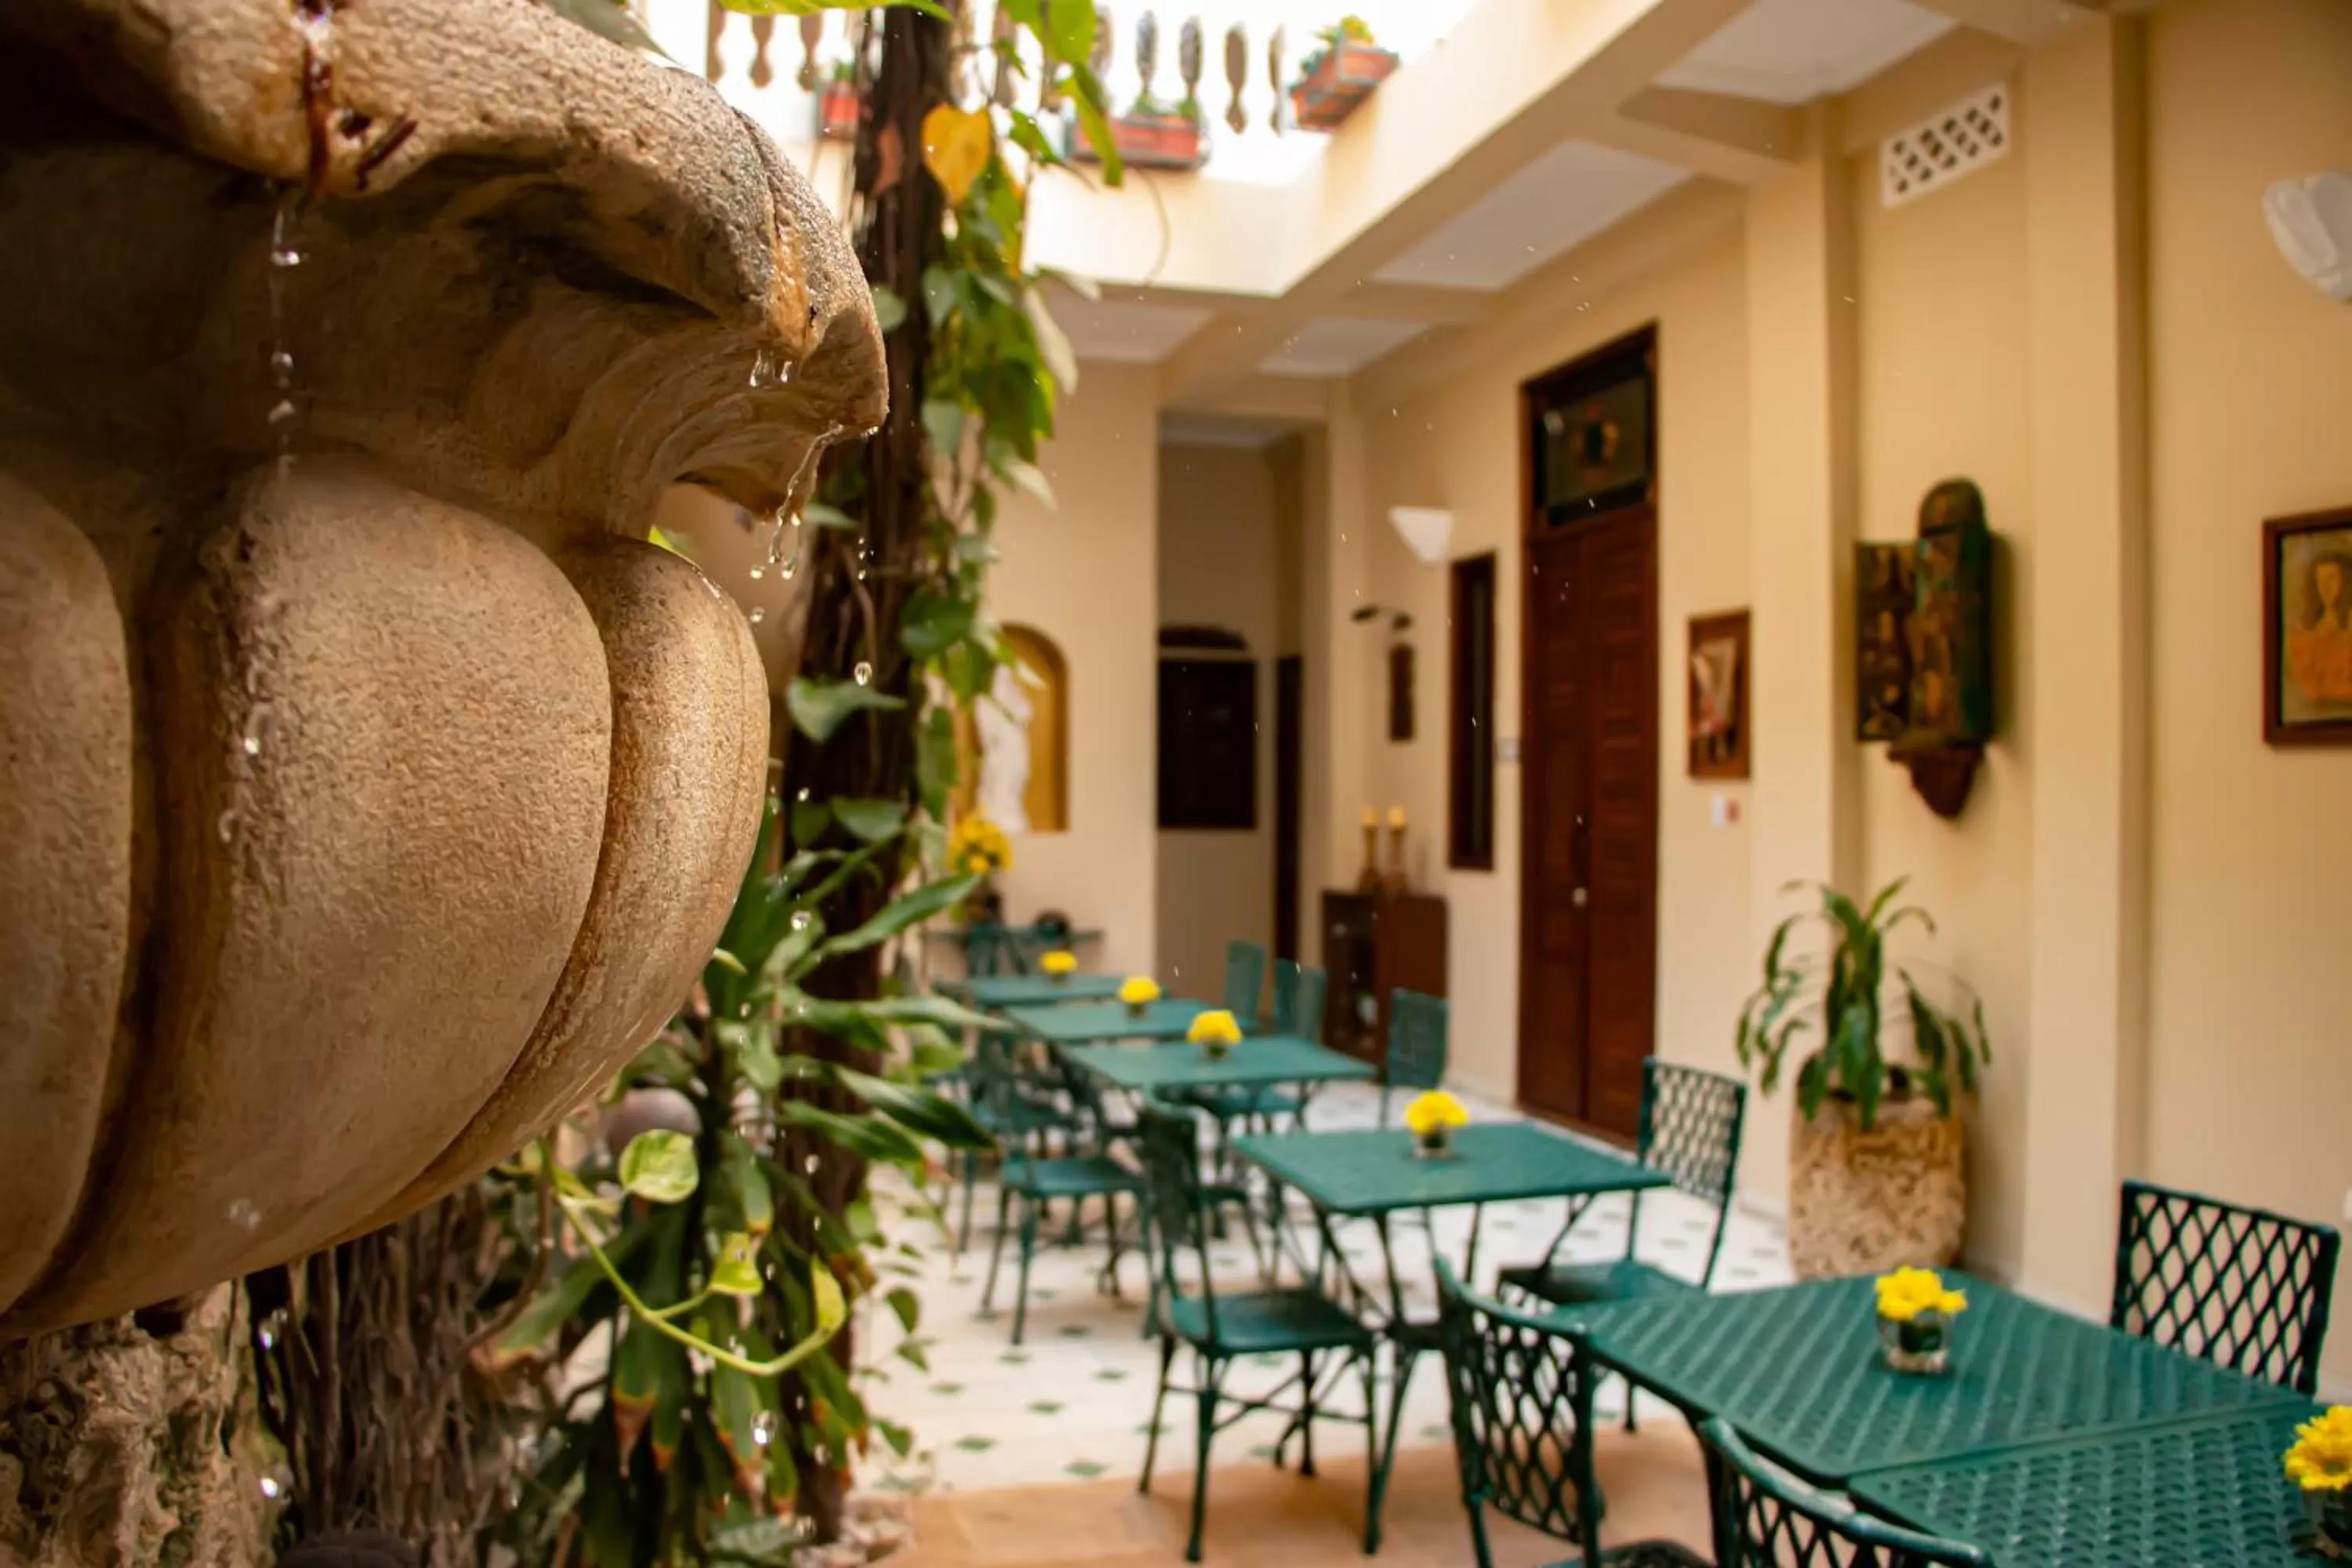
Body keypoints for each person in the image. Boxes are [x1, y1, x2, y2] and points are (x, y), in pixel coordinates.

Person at [2288, 550, 2352, 707]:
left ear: (2345, 582)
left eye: (2332, 579)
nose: (2325, 587)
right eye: (2320, 580)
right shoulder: (2304, 637)